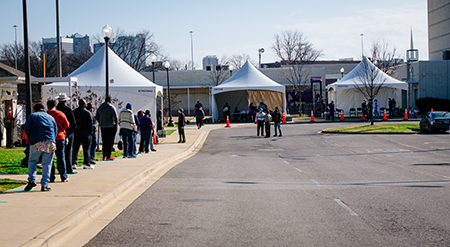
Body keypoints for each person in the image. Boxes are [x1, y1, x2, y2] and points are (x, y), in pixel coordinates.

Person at [23, 103, 57, 192]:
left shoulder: (33, 116)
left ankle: (31, 180)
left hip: (37, 141)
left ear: (35, 109)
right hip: (50, 142)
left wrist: (30, 137)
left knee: (32, 161)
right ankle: (44, 184)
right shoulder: (50, 117)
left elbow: (27, 128)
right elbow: (55, 130)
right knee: (47, 163)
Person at [47, 99, 70, 183]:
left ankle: (51, 177)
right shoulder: (60, 114)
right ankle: (63, 176)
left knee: (49, 158)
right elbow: (66, 125)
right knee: (61, 157)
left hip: (49, 138)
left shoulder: (46, 114)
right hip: (60, 137)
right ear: (55, 105)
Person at [56, 93, 77, 174]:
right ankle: (68, 168)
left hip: (57, 132)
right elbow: (73, 122)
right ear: (65, 101)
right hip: (67, 131)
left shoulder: (55, 110)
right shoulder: (68, 110)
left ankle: (60, 168)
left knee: (59, 153)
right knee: (67, 152)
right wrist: (72, 131)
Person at [72, 99, 94, 169]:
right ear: (85, 104)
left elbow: (73, 122)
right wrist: (90, 132)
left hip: (77, 132)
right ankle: (86, 163)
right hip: (86, 132)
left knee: (75, 148)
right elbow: (90, 124)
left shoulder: (74, 112)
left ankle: (74, 163)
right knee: (86, 148)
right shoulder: (87, 113)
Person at [96, 96, 118, 161]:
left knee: (104, 141)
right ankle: (108, 155)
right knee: (110, 142)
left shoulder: (100, 108)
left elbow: (97, 116)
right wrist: (116, 125)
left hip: (103, 127)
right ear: (110, 100)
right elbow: (115, 117)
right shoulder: (111, 107)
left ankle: (104, 155)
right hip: (110, 127)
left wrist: (100, 122)